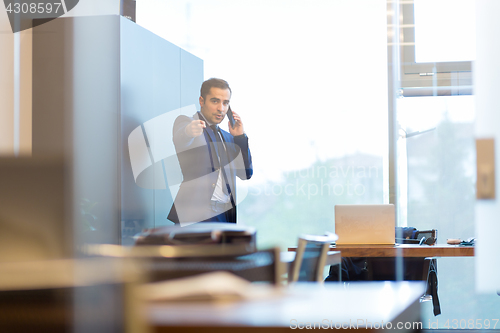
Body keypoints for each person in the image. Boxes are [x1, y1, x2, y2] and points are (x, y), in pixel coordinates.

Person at [167, 78, 253, 225]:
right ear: (202, 101)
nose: (221, 108)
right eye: (215, 101)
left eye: (225, 103)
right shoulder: (187, 122)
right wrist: (188, 131)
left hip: (224, 214)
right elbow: (181, 138)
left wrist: (239, 137)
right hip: (195, 214)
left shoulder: (228, 137)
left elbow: (245, 173)